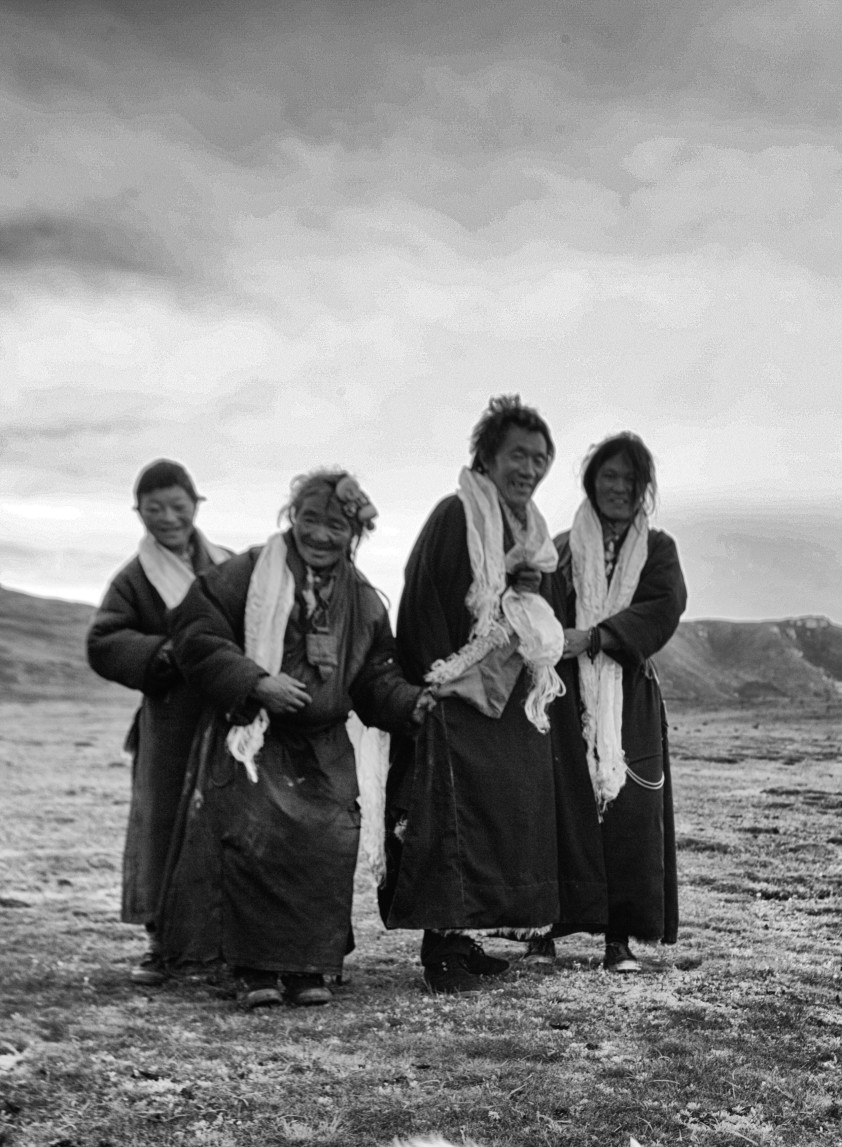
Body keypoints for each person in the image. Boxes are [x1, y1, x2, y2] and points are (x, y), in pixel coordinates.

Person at [157, 468, 424, 1007]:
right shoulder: (245, 573)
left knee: (326, 849)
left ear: (354, 535)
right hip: (257, 741)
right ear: (290, 518)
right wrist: (256, 682)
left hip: (324, 749)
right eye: (309, 519)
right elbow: (195, 633)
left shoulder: (366, 600)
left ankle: (309, 970)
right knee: (256, 847)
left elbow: (375, 678)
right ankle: (255, 971)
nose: (320, 534)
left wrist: (410, 705)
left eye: (335, 525)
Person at [382, 395, 606, 993]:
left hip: (507, 695)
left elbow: (541, 620)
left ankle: (464, 938)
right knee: (451, 821)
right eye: (518, 455)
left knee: (488, 824)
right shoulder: (455, 515)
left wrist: (525, 584)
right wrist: (432, 682)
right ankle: (440, 953)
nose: (529, 469)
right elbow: (427, 600)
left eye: (539, 458)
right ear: (487, 454)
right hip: (458, 690)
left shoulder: (532, 534)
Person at [537, 432, 686, 973]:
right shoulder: (559, 548)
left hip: (627, 695)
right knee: (562, 803)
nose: (618, 487)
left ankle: (618, 939)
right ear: (592, 482)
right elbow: (540, 609)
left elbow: (664, 606)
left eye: (629, 479)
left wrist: (597, 638)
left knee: (628, 811)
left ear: (643, 487)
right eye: (609, 477)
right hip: (566, 691)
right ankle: (544, 924)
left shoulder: (659, 550)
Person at [87, 459, 231, 985]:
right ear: (138, 512)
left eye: (178, 506)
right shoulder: (132, 578)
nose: (168, 518)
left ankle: (221, 941)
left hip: (224, 716)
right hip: (169, 721)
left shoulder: (226, 565)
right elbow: (104, 640)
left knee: (225, 823)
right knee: (162, 824)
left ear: (197, 504)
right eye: (154, 509)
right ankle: (160, 942)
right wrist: (166, 654)